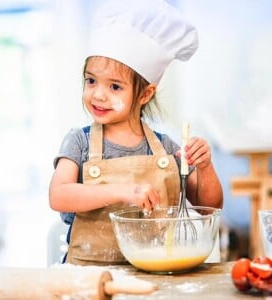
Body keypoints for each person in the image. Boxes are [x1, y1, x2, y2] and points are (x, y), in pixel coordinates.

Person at [49, 0, 223, 265]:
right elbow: (59, 195)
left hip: (154, 273)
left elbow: (209, 205)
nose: (98, 94)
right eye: (91, 80)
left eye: (115, 87)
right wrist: (123, 191)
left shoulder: (166, 148)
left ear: (145, 93)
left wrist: (206, 167)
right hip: (88, 275)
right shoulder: (79, 141)